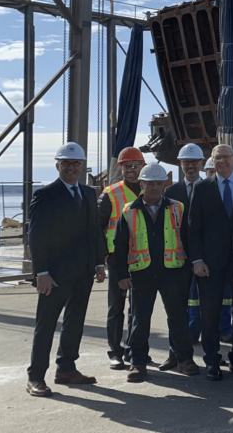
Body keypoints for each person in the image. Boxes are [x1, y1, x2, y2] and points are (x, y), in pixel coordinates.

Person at [26, 142, 106, 397]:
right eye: (67, 163)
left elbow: (94, 230)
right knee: (46, 325)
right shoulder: (45, 195)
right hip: (55, 275)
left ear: (82, 166)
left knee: (74, 322)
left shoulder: (88, 193)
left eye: (76, 164)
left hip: (83, 272)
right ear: (58, 165)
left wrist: (98, 263)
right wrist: (41, 273)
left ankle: (66, 368)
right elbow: (36, 236)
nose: (71, 168)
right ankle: (35, 377)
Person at [113, 163, 199, 382]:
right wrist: (121, 275)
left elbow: (189, 239)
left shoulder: (178, 208)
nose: (154, 188)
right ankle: (137, 363)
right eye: (150, 184)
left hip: (173, 272)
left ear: (164, 185)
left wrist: (193, 264)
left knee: (178, 318)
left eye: (158, 183)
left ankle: (184, 359)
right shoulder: (129, 211)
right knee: (139, 321)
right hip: (142, 273)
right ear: (142, 184)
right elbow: (120, 245)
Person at [186, 143, 233, 381]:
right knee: (210, 312)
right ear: (212, 162)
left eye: (226, 157)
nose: (223, 162)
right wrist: (196, 260)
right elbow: (193, 228)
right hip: (209, 263)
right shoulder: (201, 188)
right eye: (218, 159)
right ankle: (212, 361)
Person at [98, 146, 143, 370]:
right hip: (117, 258)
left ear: (142, 167)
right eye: (127, 167)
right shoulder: (111, 193)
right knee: (116, 307)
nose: (131, 170)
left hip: (142, 257)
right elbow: (97, 227)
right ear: (121, 168)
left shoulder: (151, 190)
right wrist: (101, 257)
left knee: (138, 307)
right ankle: (115, 352)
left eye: (135, 166)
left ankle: (133, 350)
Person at [160, 143, 204, 373]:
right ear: (180, 164)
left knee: (209, 307)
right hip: (177, 259)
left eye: (194, 161)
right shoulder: (171, 192)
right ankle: (175, 354)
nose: (190, 165)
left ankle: (210, 356)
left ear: (201, 163)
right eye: (186, 162)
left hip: (203, 259)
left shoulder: (209, 188)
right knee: (176, 310)